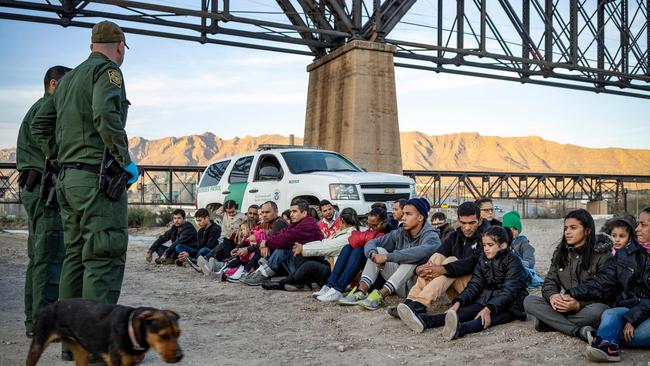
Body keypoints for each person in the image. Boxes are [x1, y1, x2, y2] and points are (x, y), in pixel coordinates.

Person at [31, 21, 137, 308]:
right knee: (104, 253)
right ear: (119, 46)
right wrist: (124, 160)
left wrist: (60, 157)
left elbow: (39, 125)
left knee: (76, 255)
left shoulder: (67, 80)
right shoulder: (108, 71)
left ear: (91, 46)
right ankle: (95, 341)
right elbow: (104, 114)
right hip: (96, 182)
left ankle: (72, 340)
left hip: (68, 182)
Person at [397, 226, 528, 339]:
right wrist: (459, 301)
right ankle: (424, 320)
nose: (486, 249)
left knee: (482, 318)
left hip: (512, 304)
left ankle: (459, 330)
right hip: (488, 297)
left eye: (490, 245)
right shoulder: (483, 258)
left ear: (503, 246)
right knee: (459, 312)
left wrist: (488, 308)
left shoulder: (513, 261)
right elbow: (475, 284)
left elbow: (510, 291)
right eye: (484, 245)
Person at [16, 65, 70, 338]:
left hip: (36, 189)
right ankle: (43, 323)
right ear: (53, 84)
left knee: (39, 258)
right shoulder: (47, 109)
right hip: (42, 191)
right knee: (49, 257)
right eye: (66, 85)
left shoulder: (41, 107)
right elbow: (51, 144)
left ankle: (34, 320)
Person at [562, 216, 649, 362]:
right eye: (638, 224)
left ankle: (603, 338)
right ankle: (606, 347)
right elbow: (604, 281)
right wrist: (573, 292)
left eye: (643, 224)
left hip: (645, 311)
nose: (637, 229)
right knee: (610, 313)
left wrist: (632, 319)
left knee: (643, 333)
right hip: (629, 307)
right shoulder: (624, 254)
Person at [524, 209, 613, 341]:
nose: (567, 232)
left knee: (600, 311)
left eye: (573, 228)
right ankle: (578, 331)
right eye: (566, 228)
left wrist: (578, 304)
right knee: (529, 301)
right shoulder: (561, 253)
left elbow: (606, 292)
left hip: (587, 307)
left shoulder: (602, 256)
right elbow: (549, 282)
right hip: (564, 306)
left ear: (587, 230)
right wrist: (553, 296)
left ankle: (551, 322)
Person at [341, 198, 440, 310]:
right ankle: (362, 291)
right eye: (404, 214)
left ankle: (381, 295)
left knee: (411, 259)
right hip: (398, 284)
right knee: (378, 249)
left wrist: (387, 257)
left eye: (408, 214)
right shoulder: (400, 232)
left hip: (417, 286)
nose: (403, 218)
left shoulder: (431, 235)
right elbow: (371, 242)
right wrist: (374, 255)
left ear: (420, 217)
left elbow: (422, 251)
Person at [391, 201, 488, 317]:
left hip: (476, 290)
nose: (467, 227)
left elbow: (474, 262)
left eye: (472, 223)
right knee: (438, 257)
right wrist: (420, 268)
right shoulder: (455, 236)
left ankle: (421, 304)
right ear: (458, 220)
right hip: (456, 291)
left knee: (450, 260)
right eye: (463, 223)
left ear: (480, 220)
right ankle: (410, 302)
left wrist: (443, 269)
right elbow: (438, 253)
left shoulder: (487, 237)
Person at [261, 208, 358, 291]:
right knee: (295, 249)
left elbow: (326, 247)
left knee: (310, 265)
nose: (291, 214)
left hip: (335, 272)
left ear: (341, 220)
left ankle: (280, 283)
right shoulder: (344, 232)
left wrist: (303, 248)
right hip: (329, 263)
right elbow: (324, 242)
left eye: (294, 211)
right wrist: (301, 247)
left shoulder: (349, 235)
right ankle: (302, 282)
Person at [315, 207, 389, 302]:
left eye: (374, 226)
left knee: (359, 250)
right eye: (369, 225)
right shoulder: (371, 231)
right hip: (367, 275)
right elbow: (352, 241)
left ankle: (338, 288)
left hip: (381, 279)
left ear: (384, 223)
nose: (371, 228)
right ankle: (330, 286)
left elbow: (362, 241)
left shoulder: (390, 233)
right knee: (347, 247)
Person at [242, 199, 323, 286]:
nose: (291, 214)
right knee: (282, 245)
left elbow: (286, 238)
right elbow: (280, 233)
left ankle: (263, 273)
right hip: (299, 265)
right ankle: (261, 272)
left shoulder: (308, 225)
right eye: (291, 211)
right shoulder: (296, 224)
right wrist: (265, 242)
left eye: (294, 211)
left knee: (283, 247)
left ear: (304, 213)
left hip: (308, 269)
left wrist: (266, 243)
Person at [502, 210, 542, 287]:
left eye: (514, 229)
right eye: (509, 228)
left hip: (522, 270)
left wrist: (516, 260)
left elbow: (530, 263)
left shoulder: (523, 243)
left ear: (519, 229)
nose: (512, 231)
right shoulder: (502, 242)